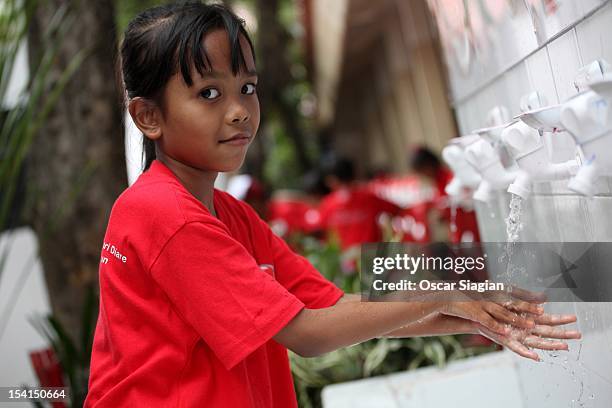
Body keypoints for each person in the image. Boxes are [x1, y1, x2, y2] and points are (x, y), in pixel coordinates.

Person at [85, 3, 581, 407]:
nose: (239, 110)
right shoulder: (161, 213)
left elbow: (328, 305)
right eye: (209, 92)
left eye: (248, 88)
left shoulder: (228, 214)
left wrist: (472, 308)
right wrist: (440, 295)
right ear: (148, 116)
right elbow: (308, 333)